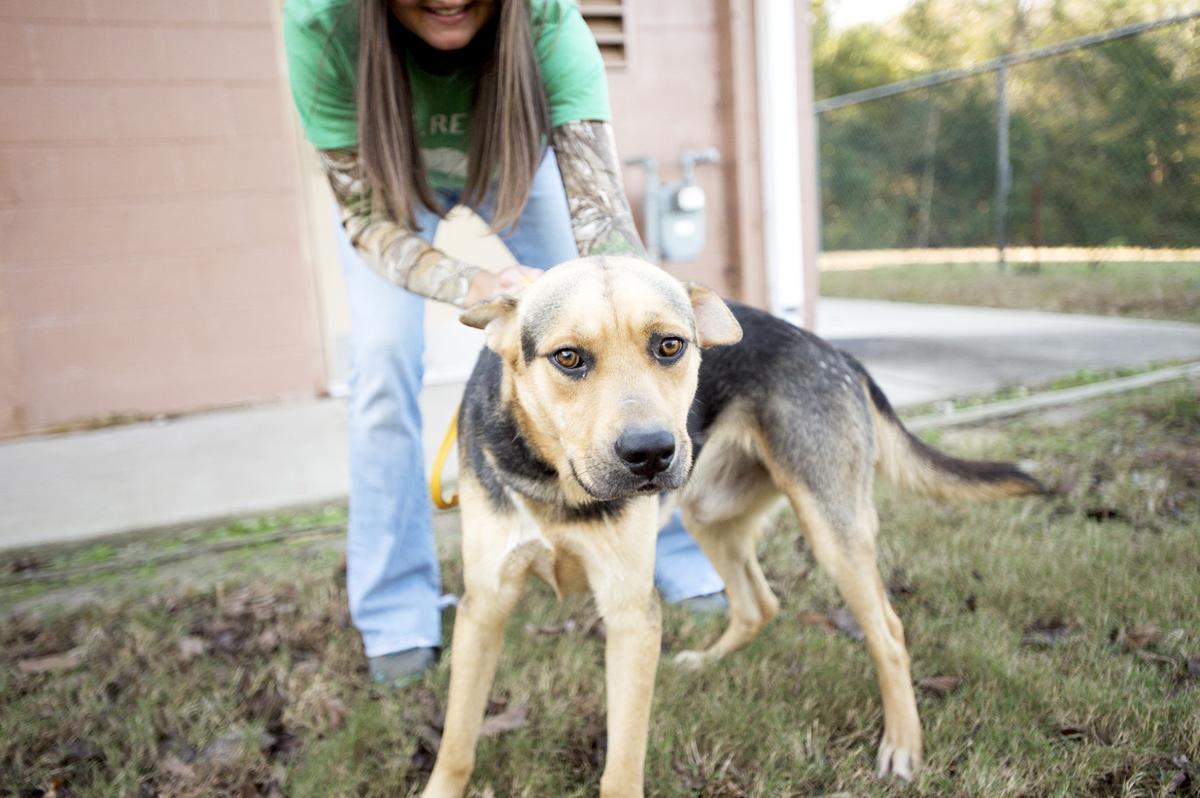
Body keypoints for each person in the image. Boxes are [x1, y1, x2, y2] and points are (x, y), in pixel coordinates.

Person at [282, 0, 725, 685]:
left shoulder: (548, 18)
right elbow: (368, 223)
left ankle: (666, 551)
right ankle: (398, 609)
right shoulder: (321, 21)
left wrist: (622, 298)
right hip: (387, 188)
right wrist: (474, 283)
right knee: (381, 364)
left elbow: (605, 226)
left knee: (617, 334)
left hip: (518, 162)